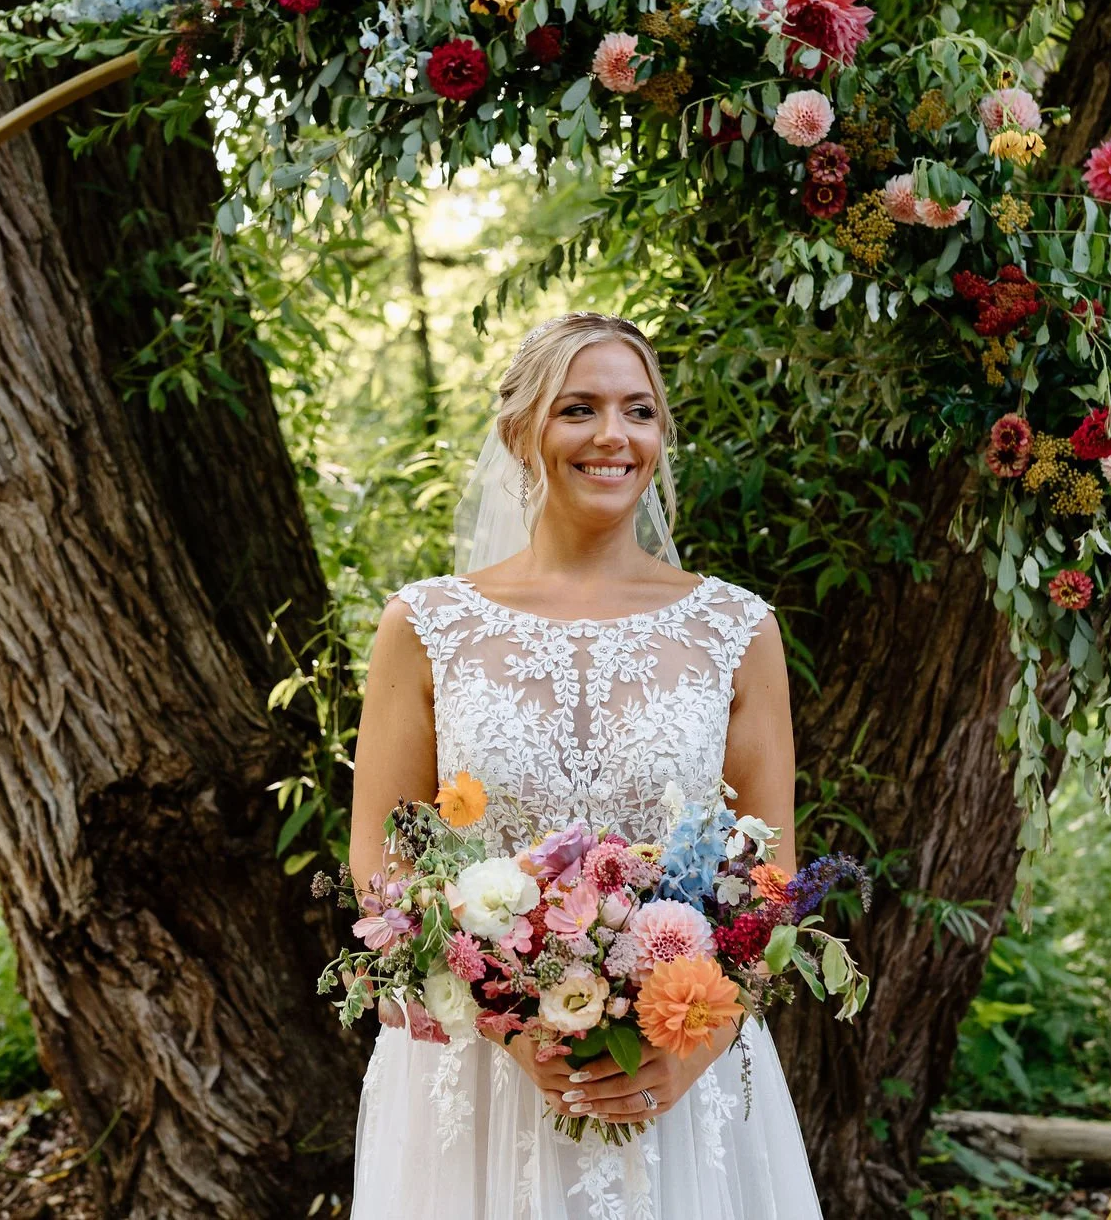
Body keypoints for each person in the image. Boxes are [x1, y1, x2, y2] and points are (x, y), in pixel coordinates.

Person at [348, 312, 824, 1218]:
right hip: (478, 1074)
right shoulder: (426, 624)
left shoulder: (736, 628)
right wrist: (506, 1024)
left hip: (676, 1073)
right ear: (517, 432)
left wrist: (690, 1051)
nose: (613, 435)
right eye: (579, 409)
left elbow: (772, 880)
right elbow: (383, 862)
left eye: (638, 411)